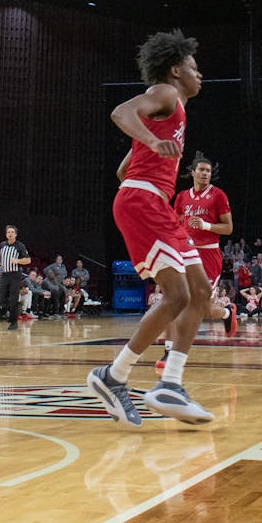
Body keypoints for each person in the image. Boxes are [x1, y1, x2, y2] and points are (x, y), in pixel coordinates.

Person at [86, 29, 213, 426]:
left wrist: (150, 147)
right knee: (176, 296)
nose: (200, 74)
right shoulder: (166, 93)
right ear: (176, 70)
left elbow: (124, 168)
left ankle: (170, 383)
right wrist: (154, 145)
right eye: (194, 67)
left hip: (153, 201)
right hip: (143, 201)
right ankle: (114, 375)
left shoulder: (173, 111)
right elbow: (121, 113)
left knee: (201, 291)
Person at [155, 152, 236, 371]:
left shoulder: (218, 195)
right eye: (201, 170)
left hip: (208, 255)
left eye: (208, 171)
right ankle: (169, 351)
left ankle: (227, 313)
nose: (205, 174)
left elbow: (228, 228)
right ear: (193, 173)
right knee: (173, 299)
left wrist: (207, 226)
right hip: (185, 252)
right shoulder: (182, 197)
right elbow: (174, 222)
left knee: (203, 307)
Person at [0, 225, 31, 331]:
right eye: (8, 232)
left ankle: (14, 322)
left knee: (13, 298)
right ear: (6, 234)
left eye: (12, 232)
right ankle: (13, 311)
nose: (10, 234)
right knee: (1, 298)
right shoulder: (2, 245)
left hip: (15, 275)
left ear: (15, 234)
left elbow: (28, 260)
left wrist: (18, 261)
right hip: (5, 275)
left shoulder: (20, 246)